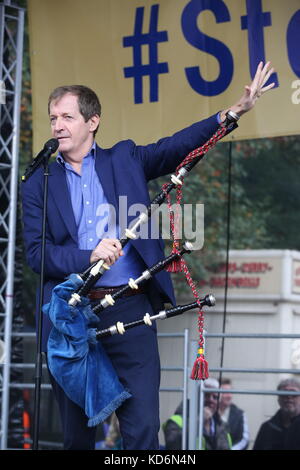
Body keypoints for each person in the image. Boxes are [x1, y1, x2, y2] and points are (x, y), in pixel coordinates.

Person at [21, 62, 275, 450]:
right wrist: (88, 255)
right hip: (70, 316)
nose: (57, 125)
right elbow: (39, 257)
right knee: (76, 435)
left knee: (141, 429)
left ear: (93, 122)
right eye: (53, 117)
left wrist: (232, 113)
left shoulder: (124, 159)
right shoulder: (39, 182)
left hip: (129, 308)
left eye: (67, 116)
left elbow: (176, 146)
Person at [163, 378, 231, 450]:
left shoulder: (221, 425)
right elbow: (173, 445)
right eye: (206, 395)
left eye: (215, 397)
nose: (211, 400)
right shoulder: (177, 420)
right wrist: (198, 422)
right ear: (196, 397)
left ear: (219, 402)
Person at [253, 378, 300, 450]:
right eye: (284, 393)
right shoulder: (267, 428)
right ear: (278, 399)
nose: (289, 397)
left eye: (293, 393)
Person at [219, 378, 249, 450]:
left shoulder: (240, 415)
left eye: (231, 392)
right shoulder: (210, 413)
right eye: (225, 392)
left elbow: (244, 440)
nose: (229, 396)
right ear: (217, 394)